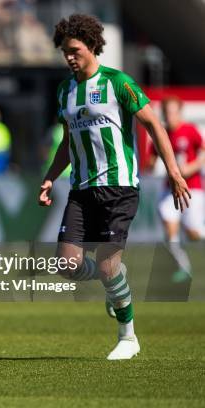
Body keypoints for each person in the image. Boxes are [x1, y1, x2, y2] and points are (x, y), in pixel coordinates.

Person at [39, 15, 191, 360]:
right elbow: (67, 140)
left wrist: (175, 172)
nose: (69, 57)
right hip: (80, 188)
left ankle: (128, 336)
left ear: (92, 46)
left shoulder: (118, 82)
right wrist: (50, 177)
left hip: (119, 187)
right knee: (67, 265)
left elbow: (154, 124)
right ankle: (114, 284)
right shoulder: (66, 90)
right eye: (65, 52)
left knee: (108, 266)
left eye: (74, 50)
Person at [155, 96, 205, 281]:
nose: (169, 116)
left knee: (193, 233)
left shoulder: (190, 131)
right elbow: (152, 157)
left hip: (193, 189)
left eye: (173, 112)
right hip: (170, 190)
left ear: (179, 113)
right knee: (169, 230)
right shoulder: (161, 133)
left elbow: (203, 153)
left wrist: (191, 168)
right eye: (166, 112)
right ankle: (183, 267)